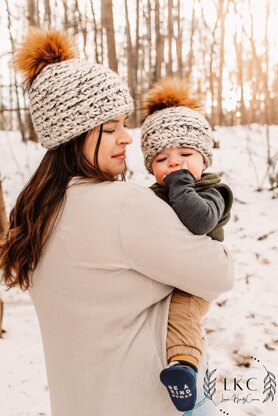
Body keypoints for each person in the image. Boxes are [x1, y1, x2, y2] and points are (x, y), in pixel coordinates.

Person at [0, 29, 234, 416]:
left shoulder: (36, 213)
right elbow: (218, 273)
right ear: (71, 137)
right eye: (109, 129)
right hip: (148, 403)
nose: (127, 138)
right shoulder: (123, 204)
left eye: (124, 123)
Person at [141, 78, 233, 412]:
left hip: (194, 286)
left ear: (204, 159)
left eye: (185, 154)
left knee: (182, 316)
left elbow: (199, 221)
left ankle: (184, 369)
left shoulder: (214, 192)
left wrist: (180, 184)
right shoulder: (151, 195)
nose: (175, 163)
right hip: (165, 275)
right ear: (150, 165)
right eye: (162, 158)